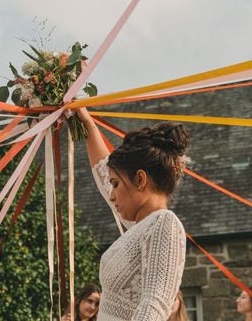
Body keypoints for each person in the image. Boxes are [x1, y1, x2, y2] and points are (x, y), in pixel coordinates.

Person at [78, 108, 188, 321]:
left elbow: (153, 305)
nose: (111, 195)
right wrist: (88, 125)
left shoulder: (164, 223)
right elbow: (103, 172)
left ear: (140, 179)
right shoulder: (141, 226)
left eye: (116, 184)